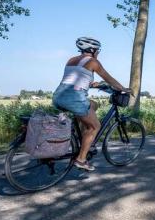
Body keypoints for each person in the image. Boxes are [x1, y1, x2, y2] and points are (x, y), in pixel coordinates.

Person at [52, 37, 127, 172]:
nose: (98, 53)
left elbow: (74, 79)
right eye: (97, 50)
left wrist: (92, 84)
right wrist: (123, 88)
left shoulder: (71, 60)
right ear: (92, 50)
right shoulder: (93, 61)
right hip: (74, 99)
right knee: (95, 126)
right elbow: (109, 78)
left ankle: (84, 140)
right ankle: (81, 160)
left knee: (93, 104)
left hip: (58, 96)